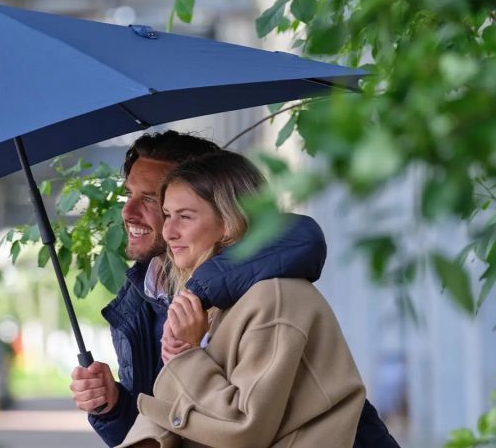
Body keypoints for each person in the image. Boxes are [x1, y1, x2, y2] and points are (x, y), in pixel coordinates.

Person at [69, 131, 399, 448]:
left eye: (182, 214)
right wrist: (112, 408)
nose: (168, 230)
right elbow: (182, 419)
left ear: (227, 220)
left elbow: (241, 428)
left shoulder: (272, 297)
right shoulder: (156, 301)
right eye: (167, 213)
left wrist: (184, 358)